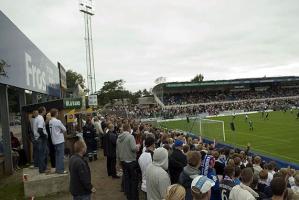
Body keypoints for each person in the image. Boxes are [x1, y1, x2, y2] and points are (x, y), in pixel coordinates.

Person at [116, 123, 139, 200]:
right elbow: (133, 148)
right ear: (128, 128)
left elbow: (117, 151)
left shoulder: (118, 138)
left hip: (123, 161)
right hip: (131, 161)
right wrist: (137, 147)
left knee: (127, 179)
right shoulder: (130, 136)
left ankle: (129, 196)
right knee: (134, 181)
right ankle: (134, 197)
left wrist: (118, 161)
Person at [49, 109, 67, 174]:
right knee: (61, 156)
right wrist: (61, 131)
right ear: (55, 113)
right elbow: (64, 129)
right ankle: (61, 170)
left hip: (54, 140)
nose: (58, 114)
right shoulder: (57, 121)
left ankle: (57, 169)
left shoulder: (50, 121)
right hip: (59, 140)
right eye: (57, 113)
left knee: (57, 156)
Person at [35, 106, 48, 173]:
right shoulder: (40, 118)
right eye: (45, 110)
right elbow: (40, 129)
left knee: (42, 154)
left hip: (38, 138)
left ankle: (43, 168)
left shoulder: (36, 118)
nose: (46, 111)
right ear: (42, 111)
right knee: (43, 154)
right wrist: (44, 136)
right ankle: (42, 169)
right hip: (41, 138)